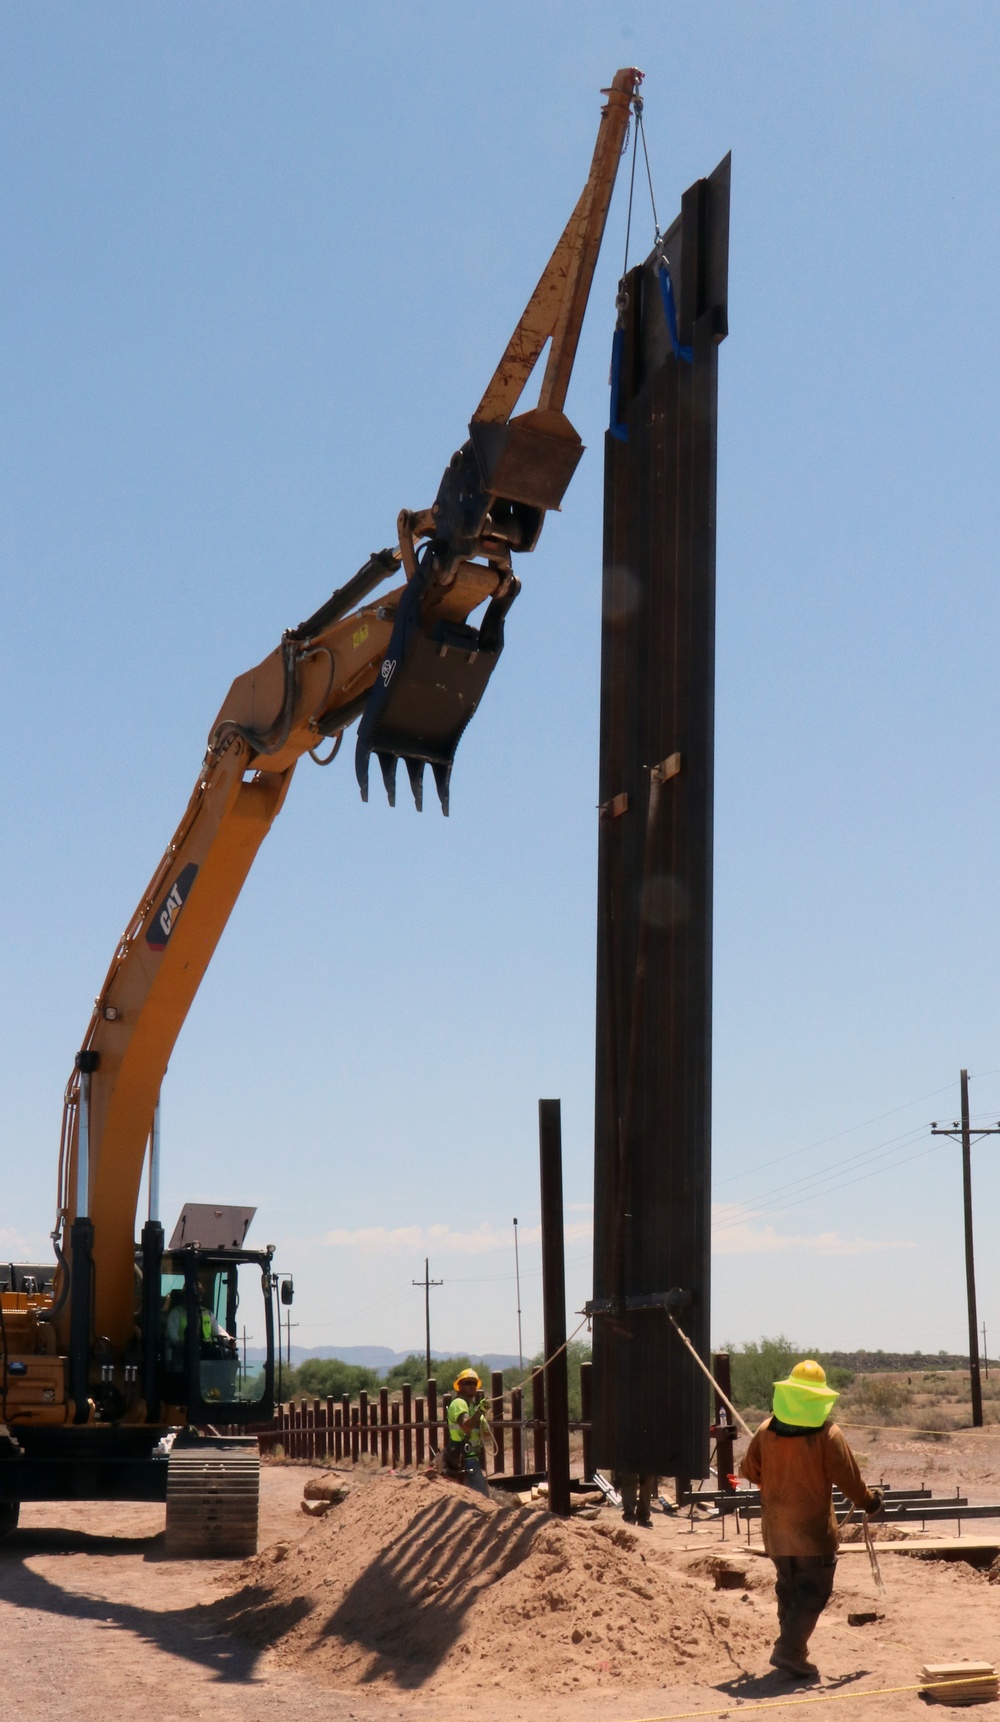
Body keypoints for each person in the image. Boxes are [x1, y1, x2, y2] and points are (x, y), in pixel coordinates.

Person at [740, 1359, 884, 1682]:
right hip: (812, 1535)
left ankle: (795, 1654)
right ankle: (789, 1651)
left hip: (776, 1535)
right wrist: (870, 1502)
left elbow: (748, 1471)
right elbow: (849, 1480)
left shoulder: (765, 1431)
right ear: (818, 1398)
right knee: (813, 1590)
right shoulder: (827, 1435)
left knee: (788, 1590)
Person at [444, 1369, 490, 1497]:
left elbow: (486, 1435)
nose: (472, 1386)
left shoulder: (472, 1407)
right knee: (483, 1498)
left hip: (470, 1458)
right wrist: (480, 1412)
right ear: (459, 1386)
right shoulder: (459, 1403)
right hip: (463, 1458)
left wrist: (483, 1425)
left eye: (474, 1384)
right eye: (468, 1383)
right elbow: (466, 1427)